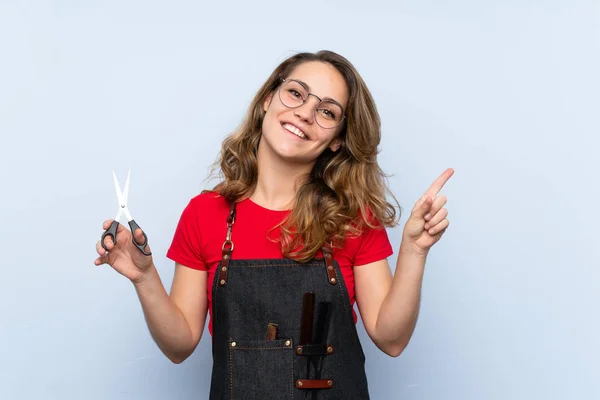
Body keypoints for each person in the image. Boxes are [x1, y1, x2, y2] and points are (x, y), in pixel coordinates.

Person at [94, 50, 453, 399]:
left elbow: (391, 340)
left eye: (327, 111)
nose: (305, 113)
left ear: (338, 140)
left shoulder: (353, 217)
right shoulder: (204, 213)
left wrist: (414, 251)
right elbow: (179, 345)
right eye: (296, 93)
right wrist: (144, 277)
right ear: (268, 98)